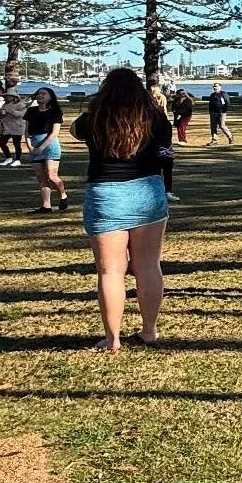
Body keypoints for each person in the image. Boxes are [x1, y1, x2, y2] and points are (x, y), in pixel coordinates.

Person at [72, 68, 171, 351]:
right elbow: (166, 153)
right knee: (148, 265)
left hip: (107, 194)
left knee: (110, 271)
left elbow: (74, 131)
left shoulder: (94, 118)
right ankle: (149, 330)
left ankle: (112, 338)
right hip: (148, 191)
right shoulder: (155, 117)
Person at [24, 86, 69, 212]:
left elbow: (54, 133)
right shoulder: (31, 111)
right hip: (34, 143)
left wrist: (42, 147)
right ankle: (46, 205)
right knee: (41, 176)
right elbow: (27, 132)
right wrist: (30, 146)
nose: (40, 95)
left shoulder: (55, 111)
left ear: (50, 96)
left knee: (51, 175)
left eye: (43, 93)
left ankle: (63, 194)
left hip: (50, 145)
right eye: (38, 93)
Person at [0, 81, 28, 166]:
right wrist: (1, 115)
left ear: (13, 97)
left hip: (17, 127)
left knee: (16, 143)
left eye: (8, 96)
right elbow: (0, 115)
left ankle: (18, 159)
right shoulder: (4, 104)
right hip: (6, 127)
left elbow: (22, 114)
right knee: (2, 142)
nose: (6, 97)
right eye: (5, 96)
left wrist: (11, 111)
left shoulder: (20, 105)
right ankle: (8, 157)